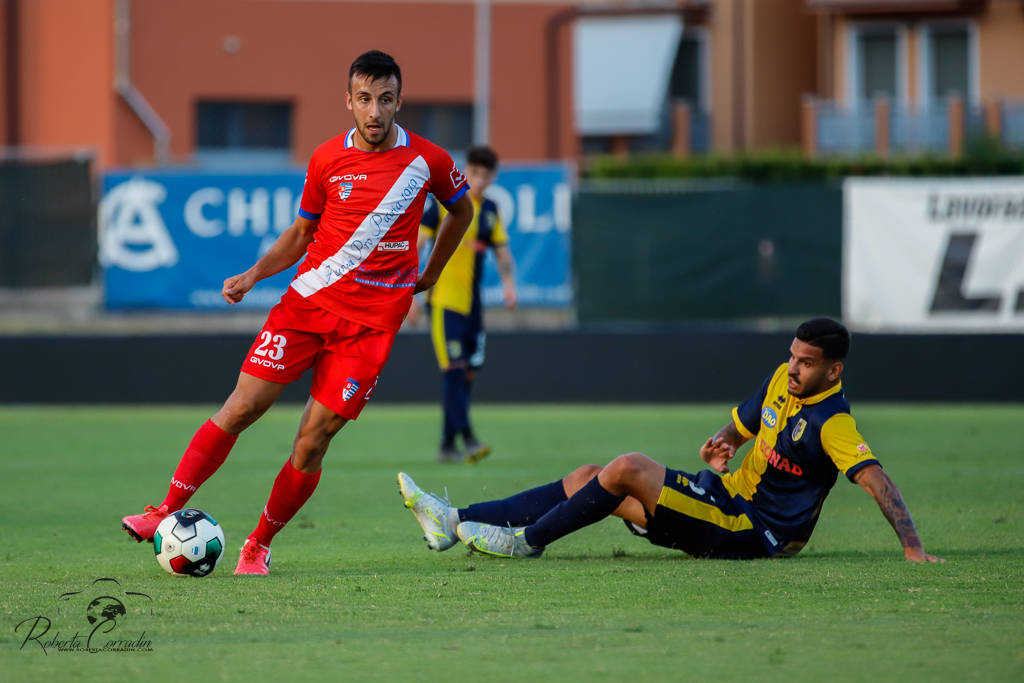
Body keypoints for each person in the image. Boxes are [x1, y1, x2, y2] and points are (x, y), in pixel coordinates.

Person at [121, 50, 474, 575]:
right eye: (364, 99)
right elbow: (302, 233)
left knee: (313, 442)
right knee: (241, 408)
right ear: (348, 101)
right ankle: (164, 511)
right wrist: (253, 274)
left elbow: (462, 209)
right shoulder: (327, 158)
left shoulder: (429, 161)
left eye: (385, 100)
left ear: (399, 101)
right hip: (306, 306)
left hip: (372, 326)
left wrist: (435, 269)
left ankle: (258, 544)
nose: (374, 111)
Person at [398, 318, 945, 562]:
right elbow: (742, 425)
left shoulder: (834, 421)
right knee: (588, 478)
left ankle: (526, 541)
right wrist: (722, 442)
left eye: (807, 363)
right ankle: (452, 520)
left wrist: (913, 548)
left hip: (753, 533)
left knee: (628, 466)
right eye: (792, 356)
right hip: (726, 500)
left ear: (834, 369)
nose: (794, 368)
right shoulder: (782, 380)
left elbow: (875, 478)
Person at [412, 146, 517, 463]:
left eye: (486, 176)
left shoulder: (490, 210)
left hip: (474, 307)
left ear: (493, 177)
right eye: (474, 174)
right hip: (443, 302)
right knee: (454, 371)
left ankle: (447, 444)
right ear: (464, 171)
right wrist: (411, 296)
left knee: (466, 374)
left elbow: (502, 251)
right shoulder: (444, 205)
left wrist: (509, 285)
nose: (479, 181)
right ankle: (468, 438)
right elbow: (416, 245)